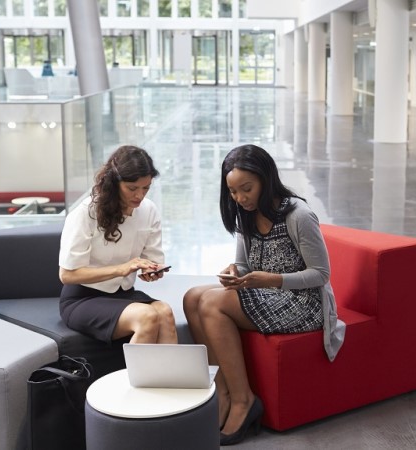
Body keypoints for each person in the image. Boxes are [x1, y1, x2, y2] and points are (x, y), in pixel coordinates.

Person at [183, 144, 345, 446]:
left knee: (213, 303)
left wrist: (272, 279)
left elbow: (321, 274)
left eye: (247, 189)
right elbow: (245, 264)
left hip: (303, 303)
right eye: (233, 192)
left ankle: (244, 401)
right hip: (264, 293)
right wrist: (235, 271)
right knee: (192, 297)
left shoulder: (299, 215)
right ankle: (223, 393)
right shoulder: (246, 213)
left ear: (265, 179)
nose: (240, 198)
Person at [58, 145, 177, 346]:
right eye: (132, 188)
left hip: (123, 294)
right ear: (115, 182)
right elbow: (67, 275)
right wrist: (122, 269)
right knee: (147, 316)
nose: (140, 195)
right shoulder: (86, 212)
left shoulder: (149, 211)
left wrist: (151, 271)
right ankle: (135, 379)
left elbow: (152, 259)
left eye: (145, 188)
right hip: (83, 298)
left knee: (165, 312)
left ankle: (171, 378)